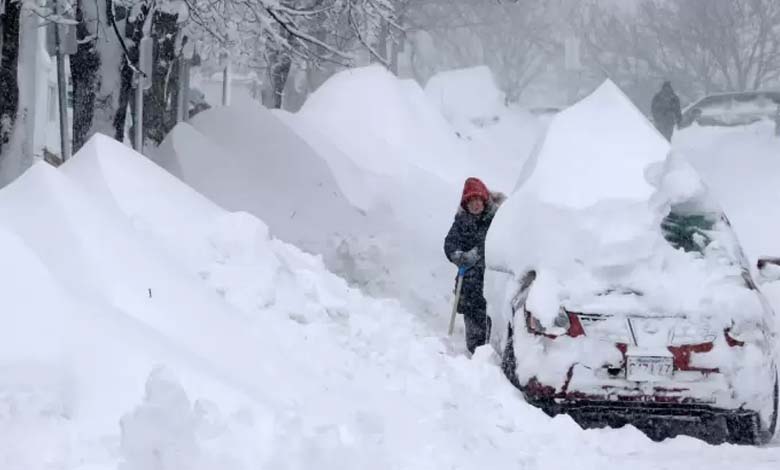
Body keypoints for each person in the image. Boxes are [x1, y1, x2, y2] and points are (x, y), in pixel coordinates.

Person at [444, 177, 505, 354]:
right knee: (474, 337)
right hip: (469, 284)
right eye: (471, 202)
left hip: (492, 281)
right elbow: (450, 244)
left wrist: (477, 253)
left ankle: (492, 360)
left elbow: (500, 243)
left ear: (484, 199)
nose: (475, 205)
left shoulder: (496, 219)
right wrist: (458, 256)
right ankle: (475, 363)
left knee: (493, 327)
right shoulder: (462, 221)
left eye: (477, 200)